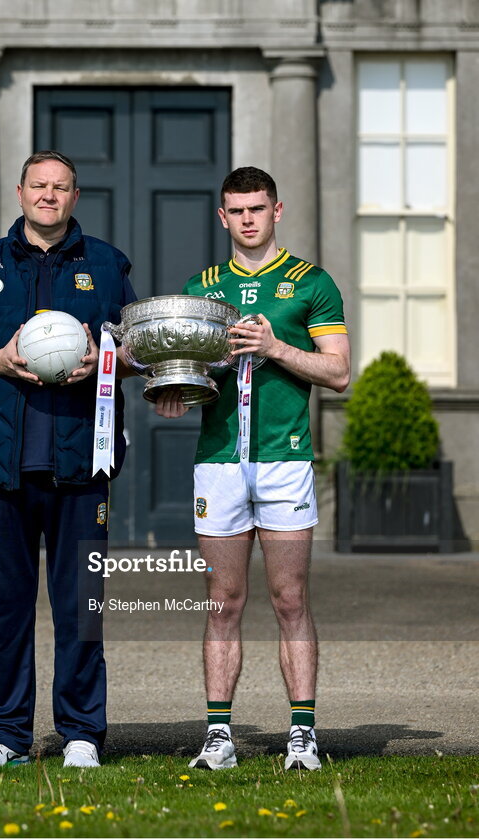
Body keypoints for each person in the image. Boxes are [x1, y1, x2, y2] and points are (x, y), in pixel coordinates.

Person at [0, 150, 136, 770]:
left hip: (81, 464)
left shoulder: (105, 264)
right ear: (20, 192)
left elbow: (138, 349)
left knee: (82, 609)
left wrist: (101, 358)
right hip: (0, 467)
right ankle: (4, 735)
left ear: (75, 197)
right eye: (39, 185)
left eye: (61, 187)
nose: (49, 196)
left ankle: (79, 734)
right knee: (4, 608)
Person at [156, 166, 350, 772]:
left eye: (257, 208)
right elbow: (195, 375)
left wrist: (276, 349)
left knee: (290, 599)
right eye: (236, 210)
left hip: (285, 459)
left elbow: (338, 371)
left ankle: (302, 735)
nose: (247, 219)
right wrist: (175, 392)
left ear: (277, 210)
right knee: (222, 602)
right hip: (217, 464)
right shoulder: (201, 287)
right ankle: (219, 737)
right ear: (222, 216)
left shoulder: (311, 284)